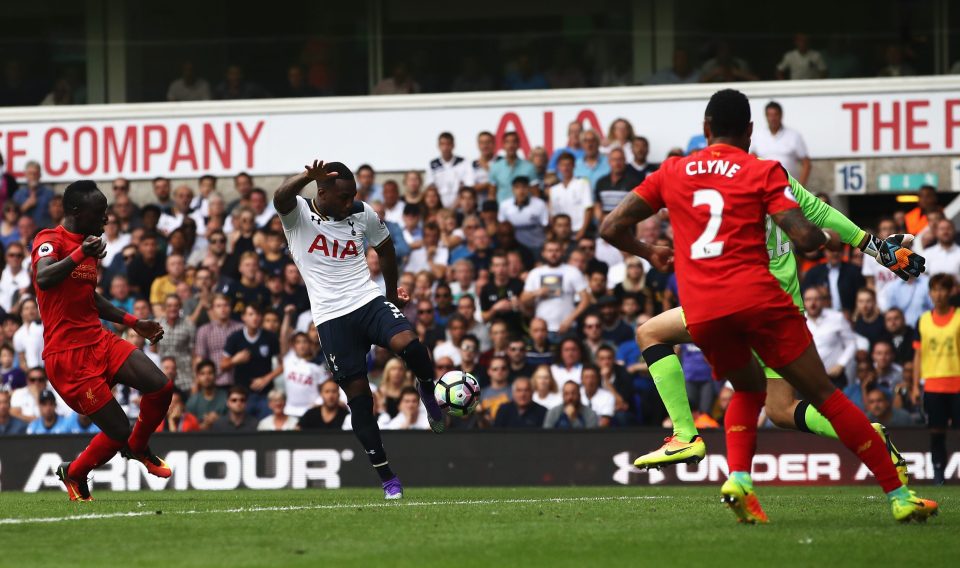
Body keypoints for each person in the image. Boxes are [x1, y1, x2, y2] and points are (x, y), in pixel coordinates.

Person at [599, 88, 935, 522]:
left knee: (750, 391)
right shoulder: (762, 171)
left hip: (708, 308)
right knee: (822, 397)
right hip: (766, 301)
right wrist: (868, 246)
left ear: (705, 131)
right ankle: (893, 486)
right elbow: (814, 221)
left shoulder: (674, 172)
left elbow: (611, 226)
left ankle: (709, 454)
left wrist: (650, 252)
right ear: (751, 132)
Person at [274, 159, 446, 499]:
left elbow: (385, 248)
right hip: (331, 319)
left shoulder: (362, 212)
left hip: (367, 300)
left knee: (412, 346)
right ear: (321, 192)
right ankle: (387, 477)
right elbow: (280, 198)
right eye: (343, 197)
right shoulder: (298, 217)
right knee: (361, 402)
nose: (350, 202)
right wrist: (306, 177)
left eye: (353, 195)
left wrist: (391, 292)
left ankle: (427, 388)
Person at [32, 180, 172, 501]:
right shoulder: (49, 240)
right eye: (100, 212)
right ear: (77, 212)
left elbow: (89, 298)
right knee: (118, 430)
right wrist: (82, 252)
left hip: (98, 339)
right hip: (68, 358)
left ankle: (138, 448)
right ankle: (75, 473)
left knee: (161, 387)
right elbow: (44, 277)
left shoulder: (88, 245)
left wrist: (135, 322)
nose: (106, 219)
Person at [912, 274, 960, 485]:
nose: (938, 294)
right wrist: (915, 385)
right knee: (936, 432)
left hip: (957, 383)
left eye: (943, 289)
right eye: (935, 290)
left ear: (951, 292)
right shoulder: (922, 321)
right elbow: (918, 355)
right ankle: (938, 475)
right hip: (933, 385)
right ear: (930, 293)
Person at [521, 240, 591, 340]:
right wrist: (536, 293)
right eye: (550, 251)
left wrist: (570, 320)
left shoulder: (573, 271)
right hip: (542, 329)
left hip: (567, 327)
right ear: (543, 253)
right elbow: (523, 299)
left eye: (557, 250)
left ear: (562, 252)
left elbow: (586, 300)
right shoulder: (535, 273)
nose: (553, 254)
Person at [221, 304, 282, 418]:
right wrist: (235, 360)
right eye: (250, 314)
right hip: (242, 395)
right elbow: (223, 366)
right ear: (243, 317)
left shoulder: (270, 337)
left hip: (265, 394)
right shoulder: (235, 337)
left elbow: (282, 365)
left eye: (258, 314)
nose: (255, 318)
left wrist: (266, 379)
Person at [749, 101, 811, 185]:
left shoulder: (794, 135)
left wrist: (801, 187)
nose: (773, 118)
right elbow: (751, 162)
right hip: (765, 187)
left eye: (775, 114)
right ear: (766, 116)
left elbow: (806, 163)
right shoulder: (757, 135)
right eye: (770, 115)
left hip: (789, 187)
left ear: (781, 115)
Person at [801, 248, 866, 316]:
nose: (835, 253)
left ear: (843, 251)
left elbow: (862, 295)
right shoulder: (814, 273)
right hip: (821, 319)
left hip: (850, 319)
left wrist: (855, 316)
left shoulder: (854, 271)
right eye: (831, 250)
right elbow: (805, 297)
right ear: (825, 252)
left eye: (838, 250)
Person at [497, 177, 548, 251]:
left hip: (536, 245)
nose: (521, 191)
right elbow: (502, 227)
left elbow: (545, 226)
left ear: (529, 189)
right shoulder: (504, 205)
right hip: (514, 246)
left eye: (524, 187)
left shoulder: (540, 204)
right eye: (517, 187)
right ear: (513, 190)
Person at [425, 132, 474, 209]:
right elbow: (431, 187)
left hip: (460, 207)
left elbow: (467, 186)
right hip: (439, 208)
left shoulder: (463, 162)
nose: (445, 147)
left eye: (448, 144)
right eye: (442, 144)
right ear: (438, 146)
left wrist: (455, 205)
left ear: (453, 145)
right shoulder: (433, 164)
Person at [550, 153, 593, 240]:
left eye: (568, 165)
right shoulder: (554, 189)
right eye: (562, 165)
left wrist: (582, 231)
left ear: (574, 166)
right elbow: (553, 214)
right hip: (560, 233)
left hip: (579, 231)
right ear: (558, 167)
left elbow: (588, 209)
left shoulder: (583, 183)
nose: (565, 168)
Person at [488, 132, 537, 204]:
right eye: (507, 142)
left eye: (514, 142)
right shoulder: (495, 167)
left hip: (525, 211)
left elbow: (535, 194)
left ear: (519, 145)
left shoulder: (529, 167)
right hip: (502, 211)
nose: (511, 145)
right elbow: (492, 194)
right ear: (503, 145)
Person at [594, 148, 641, 223]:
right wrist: (602, 218)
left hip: (625, 225)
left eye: (620, 159)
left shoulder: (634, 182)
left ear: (625, 161)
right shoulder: (601, 182)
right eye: (614, 160)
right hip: (605, 225)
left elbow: (635, 208)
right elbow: (597, 205)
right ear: (609, 162)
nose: (617, 163)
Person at [185, 359, 228, 430]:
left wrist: (220, 420)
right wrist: (201, 427)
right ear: (198, 377)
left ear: (215, 375)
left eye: (210, 373)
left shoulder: (226, 397)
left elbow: (234, 423)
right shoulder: (192, 401)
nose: (206, 377)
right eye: (202, 374)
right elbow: (188, 429)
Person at [0, 242, 31, 312]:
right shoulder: (1, 273)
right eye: (11, 255)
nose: (15, 258)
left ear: (23, 257)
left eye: (19, 255)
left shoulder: (28, 278)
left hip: (16, 317)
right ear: (6, 257)